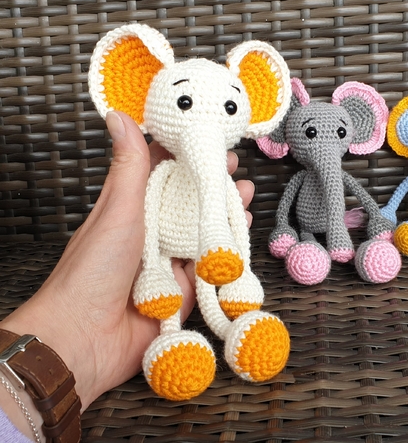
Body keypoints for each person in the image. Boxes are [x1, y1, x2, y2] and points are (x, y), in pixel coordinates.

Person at [0, 111, 255, 442]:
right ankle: (173, 340)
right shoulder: (163, 174)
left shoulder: (217, 178)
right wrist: (152, 267)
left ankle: (234, 329)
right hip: (163, 254)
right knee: (169, 307)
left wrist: (243, 269)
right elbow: (147, 220)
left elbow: (236, 218)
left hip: (206, 249)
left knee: (209, 286)